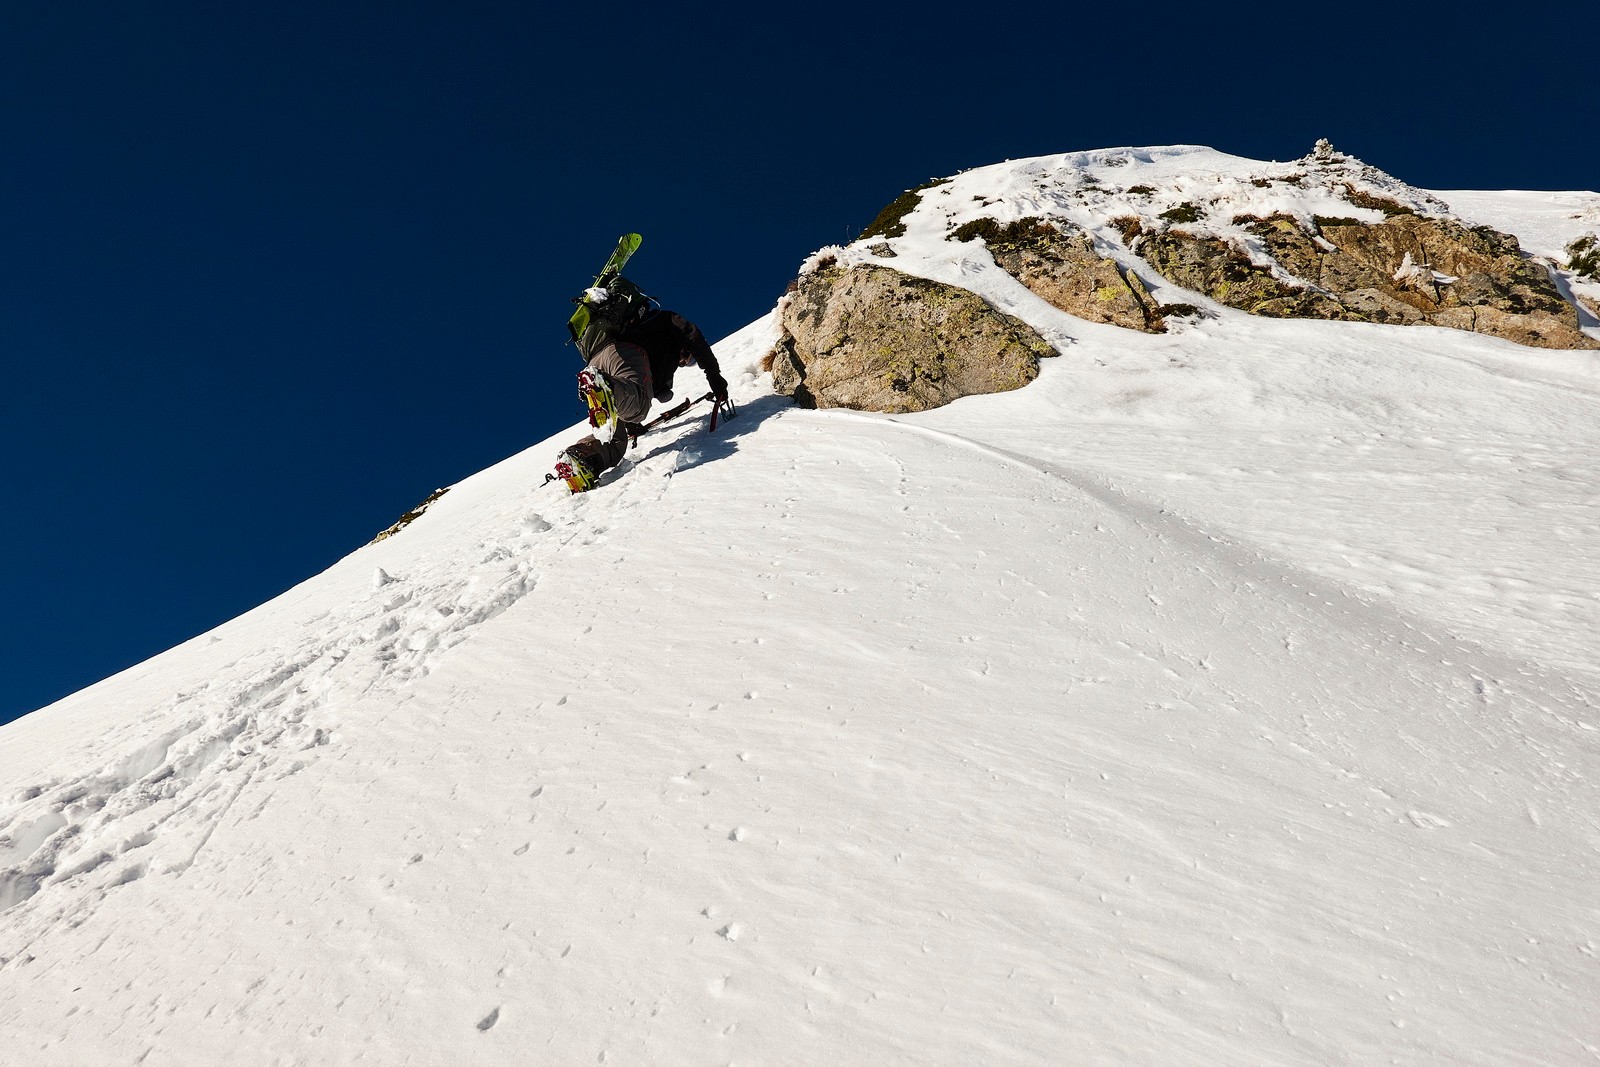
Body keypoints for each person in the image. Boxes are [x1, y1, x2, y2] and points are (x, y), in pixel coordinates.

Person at [556, 296, 729, 493]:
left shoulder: (653, 344)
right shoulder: (665, 320)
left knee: (616, 439)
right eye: (687, 359)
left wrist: (631, 425)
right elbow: (694, 336)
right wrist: (714, 377)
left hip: (597, 360)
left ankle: (583, 458)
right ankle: (606, 387)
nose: (683, 362)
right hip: (625, 353)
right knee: (638, 409)